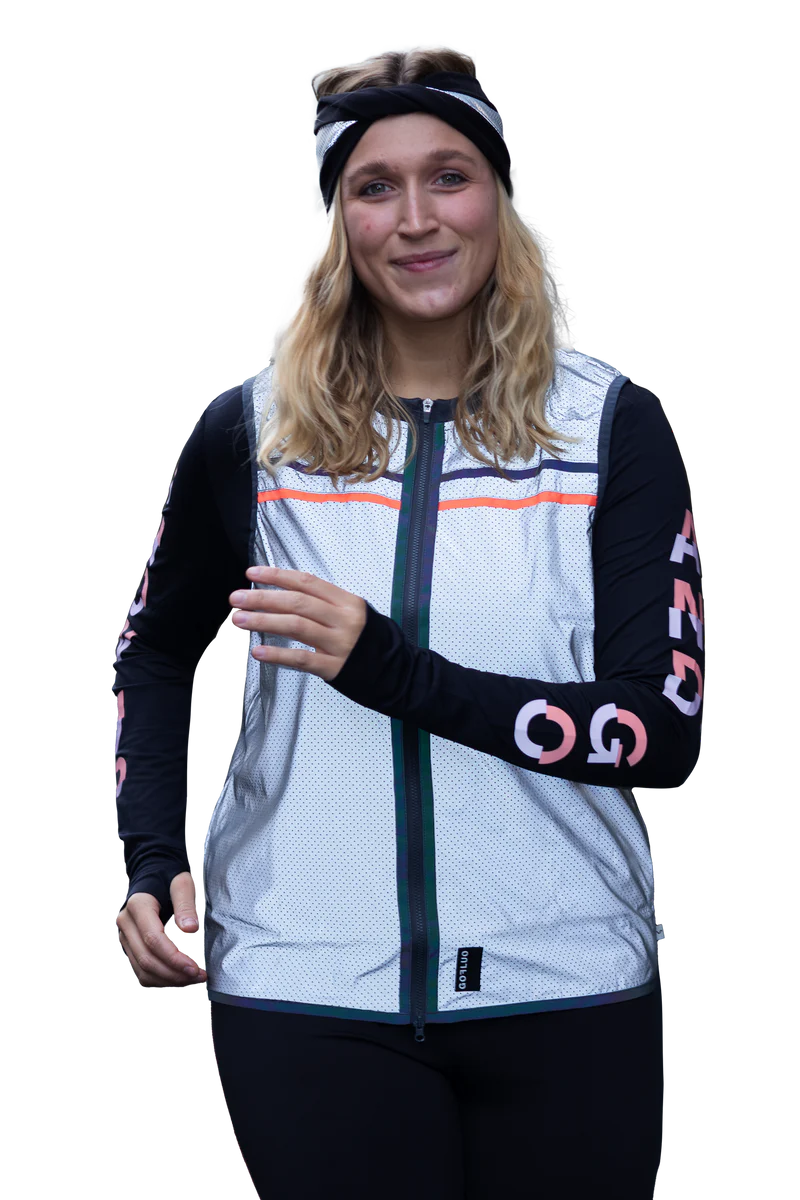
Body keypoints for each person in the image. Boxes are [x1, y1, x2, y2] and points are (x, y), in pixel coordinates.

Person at [113, 44, 704, 1199]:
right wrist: (152, 857)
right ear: (337, 222)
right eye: (374, 186)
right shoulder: (250, 434)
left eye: (449, 175)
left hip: (564, 984)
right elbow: (156, 653)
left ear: (499, 198)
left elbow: (659, 735)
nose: (416, 219)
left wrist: (388, 666)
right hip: (305, 989)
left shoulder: (608, 429)